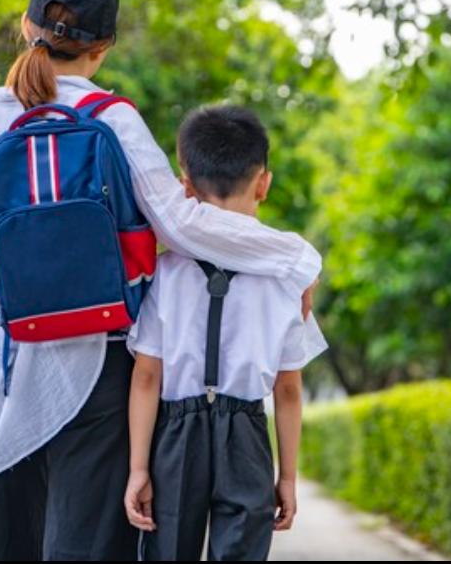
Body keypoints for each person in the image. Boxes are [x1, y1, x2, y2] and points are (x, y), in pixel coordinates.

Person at [0, 0, 321, 561]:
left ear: (26, 25)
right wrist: (296, 257)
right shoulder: (112, 120)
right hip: (89, 377)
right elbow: (184, 227)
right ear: (102, 49)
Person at [124, 105, 327, 561]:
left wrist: (139, 468)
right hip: (247, 434)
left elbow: (146, 377)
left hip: (176, 434)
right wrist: (287, 477)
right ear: (264, 183)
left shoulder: (165, 270)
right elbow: (289, 389)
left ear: (185, 187)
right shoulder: (287, 276)